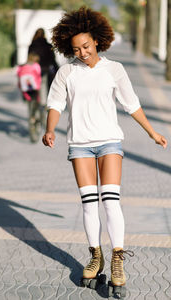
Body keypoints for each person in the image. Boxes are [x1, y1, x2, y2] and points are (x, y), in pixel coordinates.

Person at [42, 6, 167, 291]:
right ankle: (95, 256)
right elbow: (55, 104)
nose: (82, 53)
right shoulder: (66, 73)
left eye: (86, 46)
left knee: (110, 201)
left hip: (109, 141)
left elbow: (131, 103)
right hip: (80, 145)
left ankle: (117, 259)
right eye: (76, 49)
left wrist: (152, 133)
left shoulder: (114, 69)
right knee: (89, 204)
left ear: (97, 40)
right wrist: (50, 129)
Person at [28, 28, 59, 103]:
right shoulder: (48, 46)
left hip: (34, 71)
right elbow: (52, 59)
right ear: (44, 35)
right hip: (45, 70)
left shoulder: (32, 46)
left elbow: (29, 59)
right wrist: (57, 69)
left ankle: (35, 103)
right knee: (45, 86)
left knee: (34, 88)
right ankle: (44, 104)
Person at [17, 52, 42, 142]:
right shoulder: (36, 65)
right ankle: (34, 118)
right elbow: (39, 76)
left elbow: (18, 76)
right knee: (37, 101)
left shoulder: (21, 66)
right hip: (34, 88)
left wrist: (20, 87)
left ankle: (31, 117)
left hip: (25, 89)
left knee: (29, 102)